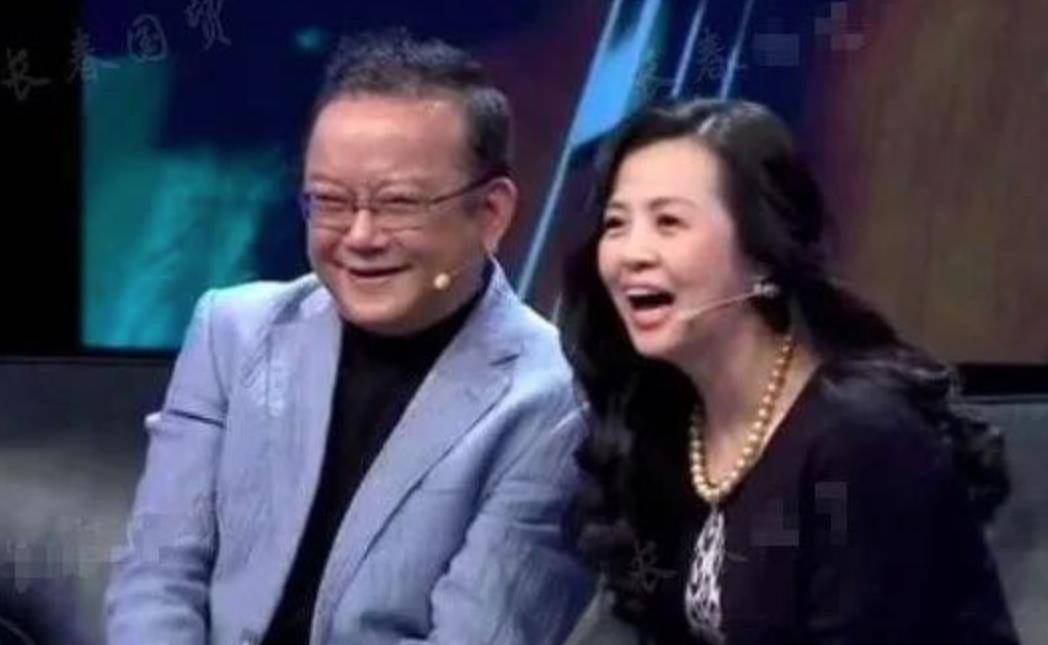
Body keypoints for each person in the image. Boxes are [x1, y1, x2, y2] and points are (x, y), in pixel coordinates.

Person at [105, 29, 593, 645]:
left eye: (398, 204)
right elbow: (157, 576)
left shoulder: (552, 401)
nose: (359, 236)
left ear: (490, 212)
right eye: (331, 202)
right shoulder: (232, 332)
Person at [559, 99, 1018, 644]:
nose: (631, 253)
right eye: (617, 223)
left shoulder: (860, 438)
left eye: (669, 222)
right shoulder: (669, 422)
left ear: (762, 255)